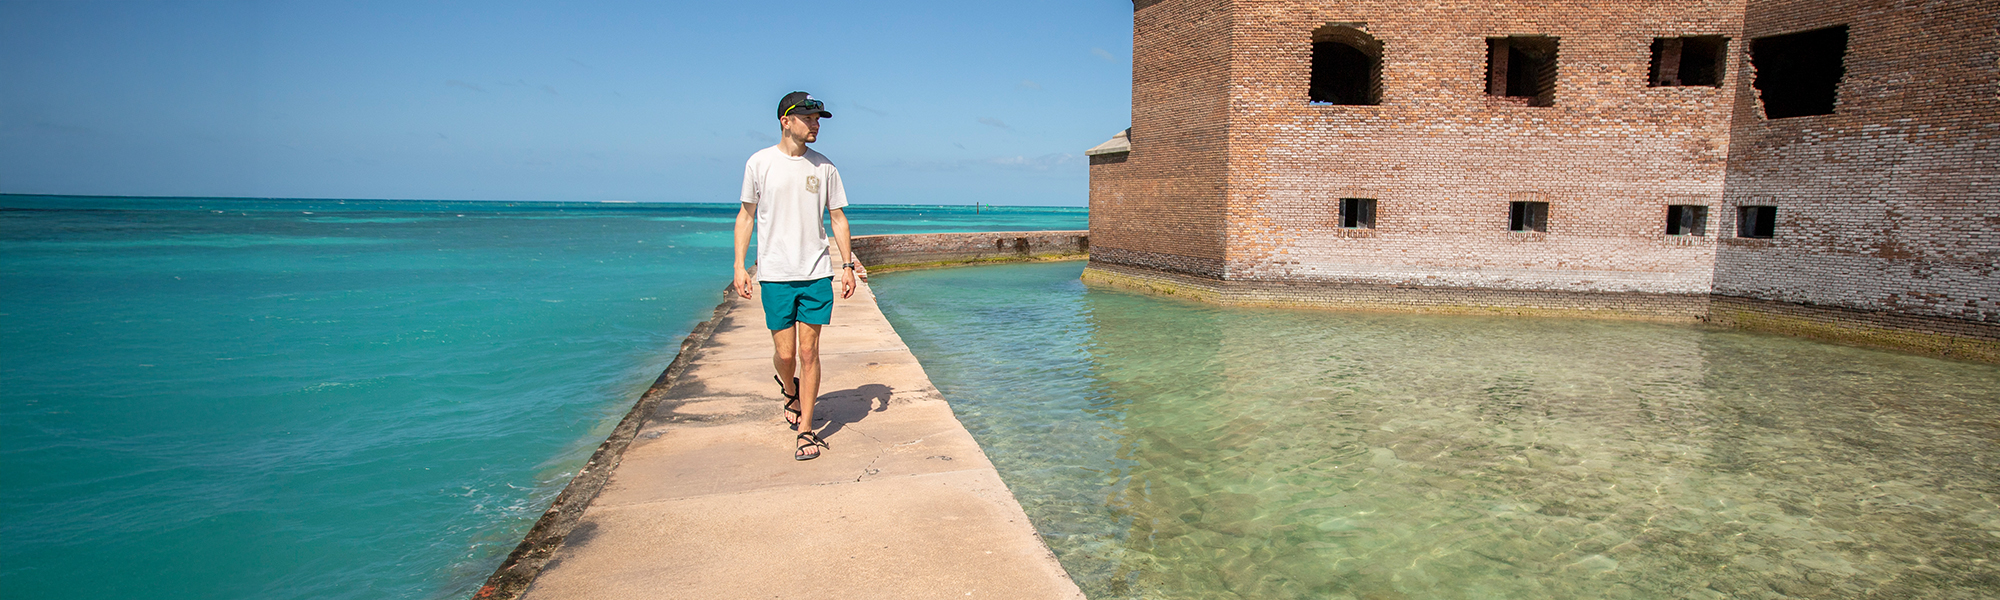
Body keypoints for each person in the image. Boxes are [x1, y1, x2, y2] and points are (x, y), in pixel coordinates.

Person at [731, 91, 858, 461]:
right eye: (808, 117)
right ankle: (789, 388)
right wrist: (740, 267)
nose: (816, 123)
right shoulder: (759, 164)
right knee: (785, 356)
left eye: (818, 118)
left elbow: (837, 219)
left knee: (809, 351)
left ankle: (806, 429)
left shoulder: (825, 168)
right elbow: (746, 217)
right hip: (775, 274)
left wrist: (847, 266)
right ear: (786, 121)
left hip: (817, 272)